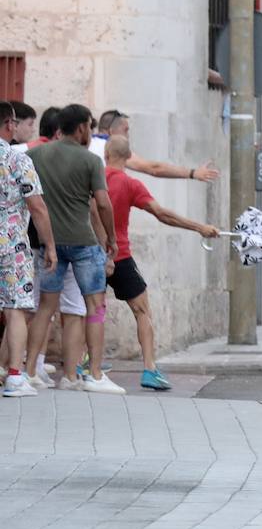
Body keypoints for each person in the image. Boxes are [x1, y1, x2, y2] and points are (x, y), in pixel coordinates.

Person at [102, 136, 220, 391]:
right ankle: (150, 369)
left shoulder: (94, 178)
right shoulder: (131, 184)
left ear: (106, 154)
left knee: (89, 311)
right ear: (128, 155)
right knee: (142, 311)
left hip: (91, 255)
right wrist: (199, 227)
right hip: (120, 256)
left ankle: (83, 366)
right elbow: (162, 214)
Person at [23, 104, 123, 394]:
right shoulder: (90, 160)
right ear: (81, 128)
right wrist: (112, 239)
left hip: (48, 242)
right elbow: (102, 203)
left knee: (46, 307)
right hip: (83, 242)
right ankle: (86, 375)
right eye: (90, 128)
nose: (91, 133)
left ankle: (30, 371)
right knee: (92, 307)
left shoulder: (36, 156)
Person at [1, 102, 57, 397]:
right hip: (13, 246)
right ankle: (13, 377)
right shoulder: (18, 160)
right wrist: (49, 244)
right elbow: (36, 205)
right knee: (15, 310)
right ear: (10, 124)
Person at [92, 110, 219, 182]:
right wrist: (193, 173)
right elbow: (153, 168)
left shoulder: (88, 145)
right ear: (111, 131)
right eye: (126, 130)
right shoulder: (113, 148)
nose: (128, 137)